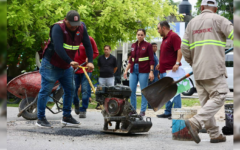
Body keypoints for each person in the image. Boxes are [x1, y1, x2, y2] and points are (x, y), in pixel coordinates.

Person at [181, 0, 233, 144]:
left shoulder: (191, 23)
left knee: (206, 104)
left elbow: (184, 48)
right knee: (220, 96)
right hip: (214, 69)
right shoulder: (219, 20)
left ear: (202, 7)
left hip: (198, 70)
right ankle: (195, 122)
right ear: (215, 9)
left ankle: (215, 134)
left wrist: (193, 63)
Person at [36, 10, 94, 128]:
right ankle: (40, 118)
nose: (74, 27)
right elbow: (58, 48)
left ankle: (66, 117)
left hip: (66, 66)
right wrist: (70, 61)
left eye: (76, 25)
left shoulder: (81, 28)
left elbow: (88, 45)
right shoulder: (57, 28)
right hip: (51, 64)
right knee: (46, 90)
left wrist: (91, 61)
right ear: (65, 20)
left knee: (71, 89)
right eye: (71, 24)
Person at [124, 29, 154, 116]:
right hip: (133, 70)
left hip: (144, 70)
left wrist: (151, 71)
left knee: (143, 91)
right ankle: (133, 109)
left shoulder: (148, 45)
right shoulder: (133, 45)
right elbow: (131, 59)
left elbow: (151, 59)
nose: (140, 36)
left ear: (144, 35)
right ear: (136, 35)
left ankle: (142, 111)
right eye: (138, 34)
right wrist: (126, 70)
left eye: (141, 35)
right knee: (132, 90)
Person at [155, 21, 182, 119]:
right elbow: (166, 54)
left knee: (175, 92)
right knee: (167, 92)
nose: (158, 31)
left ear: (163, 28)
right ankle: (168, 112)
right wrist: (159, 64)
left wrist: (177, 63)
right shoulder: (164, 39)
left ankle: (177, 113)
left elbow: (179, 50)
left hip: (171, 70)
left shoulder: (174, 36)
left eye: (158, 28)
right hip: (163, 70)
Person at [73, 36, 99, 118]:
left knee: (85, 90)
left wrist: (90, 58)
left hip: (86, 69)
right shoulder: (71, 38)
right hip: (75, 68)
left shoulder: (89, 39)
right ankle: (76, 104)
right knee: (73, 89)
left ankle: (83, 109)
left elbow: (96, 52)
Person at [147, 43, 159, 110]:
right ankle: (150, 106)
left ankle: (154, 105)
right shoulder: (150, 55)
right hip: (151, 75)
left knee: (155, 91)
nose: (155, 48)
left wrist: (158, 74)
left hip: (156, 76)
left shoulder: (155, 55)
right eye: (153, 46)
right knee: (150, 91)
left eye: (156, 46)